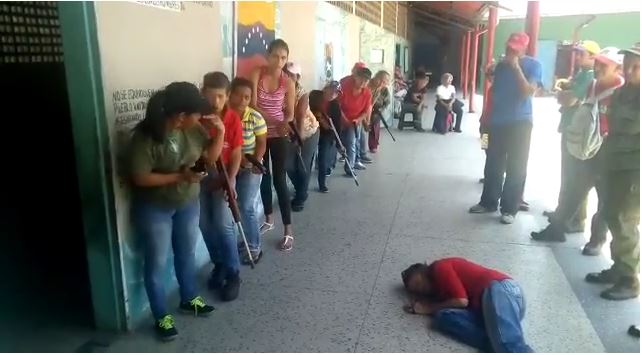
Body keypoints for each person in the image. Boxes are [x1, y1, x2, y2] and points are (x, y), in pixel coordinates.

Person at [130, 82, 218, 341]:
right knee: (156, 262)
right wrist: (180, 176)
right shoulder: (145, 137)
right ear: (181, 117)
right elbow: (140, 177)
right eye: (195, 113)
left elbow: (210, 158)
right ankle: (161, 315)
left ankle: (188, 298)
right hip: (155, 208)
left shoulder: (194, 130)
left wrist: (220, 133)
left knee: (186, 252)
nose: (200, 117)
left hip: (187, 202)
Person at [532, 48, 624, 249]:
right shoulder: (592, 84)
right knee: (574, 189)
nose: (599, 68)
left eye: (604, 65)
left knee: (605, 198)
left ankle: (596, 241)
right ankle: (556, 229)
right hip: (587, 146)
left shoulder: (622, 90)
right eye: (598, 63)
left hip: (609, 150)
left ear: (618, 68)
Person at [468, 32, 543, 225]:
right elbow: (498, 88)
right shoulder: (501, 66)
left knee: (516, 166)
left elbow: (528, 91)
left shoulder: (534, 65)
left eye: (516, 49)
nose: (511, 51)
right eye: (509, 47)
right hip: (494, 122)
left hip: (520, 122)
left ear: (524, 49)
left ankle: (510, 209)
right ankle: (488, 202)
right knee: (492, 163)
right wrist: (489, 73)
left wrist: (516, 66)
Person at [585, 43, 639, 300]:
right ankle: (618, 268)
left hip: (635, 169)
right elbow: (613, 126)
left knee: (625, 220)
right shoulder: (623, 92)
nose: (629, 71)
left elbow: (628, 127)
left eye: (636, 66)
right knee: (611, 213)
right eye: (626, 65)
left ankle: (629, 280)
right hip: (614, 163)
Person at [402, 258, 533, 352]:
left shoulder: (439, 267)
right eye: (417, 290)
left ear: (424, 271)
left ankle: (508, 344)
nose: (422, 289)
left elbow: (461, 300)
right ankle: (496, 341)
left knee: (508, 344)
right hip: (487, 313)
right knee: (443, 317)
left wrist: (428, 308)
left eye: (419, 283)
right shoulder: (440, 294)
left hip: (501, 290)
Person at [544, 40, 600, 235]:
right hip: (570, 129)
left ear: (593, 57)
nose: (577, 57)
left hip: (578, 133)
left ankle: (575, 219)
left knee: (576, 177)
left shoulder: (589, 76)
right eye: (577, 53)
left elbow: (570, 99)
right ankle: (563, 212)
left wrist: (561, 93)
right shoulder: (581, 74)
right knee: (567, 175)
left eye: (582, 54)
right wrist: (564, 93)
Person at [199, 72, 244, 301]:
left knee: (224, 224)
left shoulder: (233, 118)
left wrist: (233, 178)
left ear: (227, 97)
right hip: (199, 176)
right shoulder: (196, 118)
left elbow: (236, 151)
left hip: (223, 174)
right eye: (210, 95)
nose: (215, 102)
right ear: (202, 92)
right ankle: (219, 264)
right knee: (205, 225)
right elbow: (204, 157)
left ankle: (234, 272)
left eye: (220, 96)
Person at [250, 39, 297, 251]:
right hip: (258, 133)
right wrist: (273, 119)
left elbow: (290, 113)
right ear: (268, 55)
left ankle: (288, 231)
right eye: (276, 56)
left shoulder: (288, 82)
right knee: (263, 175)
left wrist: (284, 123)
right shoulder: (256, 74)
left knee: (279, 178)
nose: (279, 61)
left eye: (283, 57)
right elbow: (252, 105)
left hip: (278, 134)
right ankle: (269, 219)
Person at [228, 77, 267, 265]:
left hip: (251, 166)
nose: (243, 101)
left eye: (247, 97)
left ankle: (254, 247)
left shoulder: (254, 117)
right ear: (230, 95)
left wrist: (255, 163)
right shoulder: (225, 117)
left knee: (246, 206)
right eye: (239, 96)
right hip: (230, 166)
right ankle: (244, 241)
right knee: (234, 207)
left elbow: (261, 144)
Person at [284, 62, 320, 212]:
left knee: (302, 165)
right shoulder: (278, 89)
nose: (288, 77)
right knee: (288, 165)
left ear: (297, 77)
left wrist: (299, 139)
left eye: (292, 75)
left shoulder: (302, 92)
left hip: (308, 132)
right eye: (286, 73)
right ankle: (301, 188)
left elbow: (299, 117)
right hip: (287, 133)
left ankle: (300, 196)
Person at [339, 66, 373, 175]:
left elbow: (365, 111)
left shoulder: (367, 93)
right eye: (361, 79)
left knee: (351, 143)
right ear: (356, 77)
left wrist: (358, 119)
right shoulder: (344, 86)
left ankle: (350, 168)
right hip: (339, 118)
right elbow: (337, 106)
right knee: (337, 143)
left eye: (366, 81)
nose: (363, 83)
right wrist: (344, 119)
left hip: (354, 121)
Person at [315, 82, 342, 192]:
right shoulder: (314, 96)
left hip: (327, 134)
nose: (333, 94)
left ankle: (322, 184)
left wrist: (339, 142)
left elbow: (337, 125)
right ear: (325, 88)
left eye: (336, 92)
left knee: (323, 158)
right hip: (312, 130)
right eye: (331, 90)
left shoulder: (335, 105)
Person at [368, 70, 391, 153]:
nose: (382, 83)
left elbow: (387, 102)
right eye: (381, 80)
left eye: (384, 82)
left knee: (375, 125)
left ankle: (373, 145)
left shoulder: (384, 89)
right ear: (376, 77)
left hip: (376, 110)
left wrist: (381, 108)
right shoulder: (368, 84)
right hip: (364, 108)